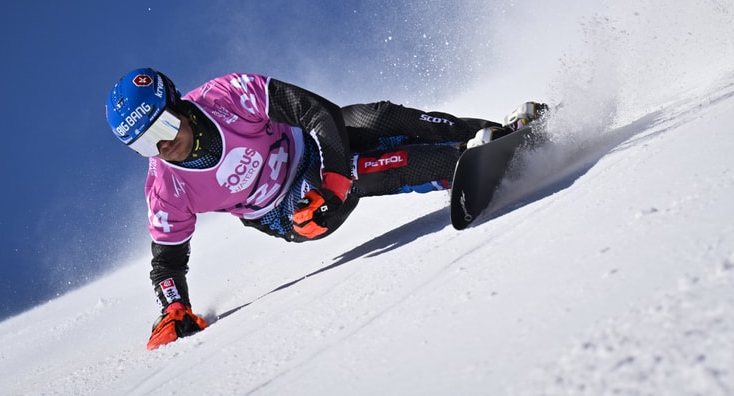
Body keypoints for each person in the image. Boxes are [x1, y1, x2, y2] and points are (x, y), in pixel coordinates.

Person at [105, 68, 544, 349]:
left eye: (163, 126)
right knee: (364, 165)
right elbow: (167, 259)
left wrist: (332, 174)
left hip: (310, 145)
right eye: (145, 143)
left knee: (380, 119)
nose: (164, 146)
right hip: (288, 210)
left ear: (179, 103)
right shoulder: (166, 185)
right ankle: (456, 168)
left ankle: (501, 134)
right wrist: (173, 308)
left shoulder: (226, 96)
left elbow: (315, 111)